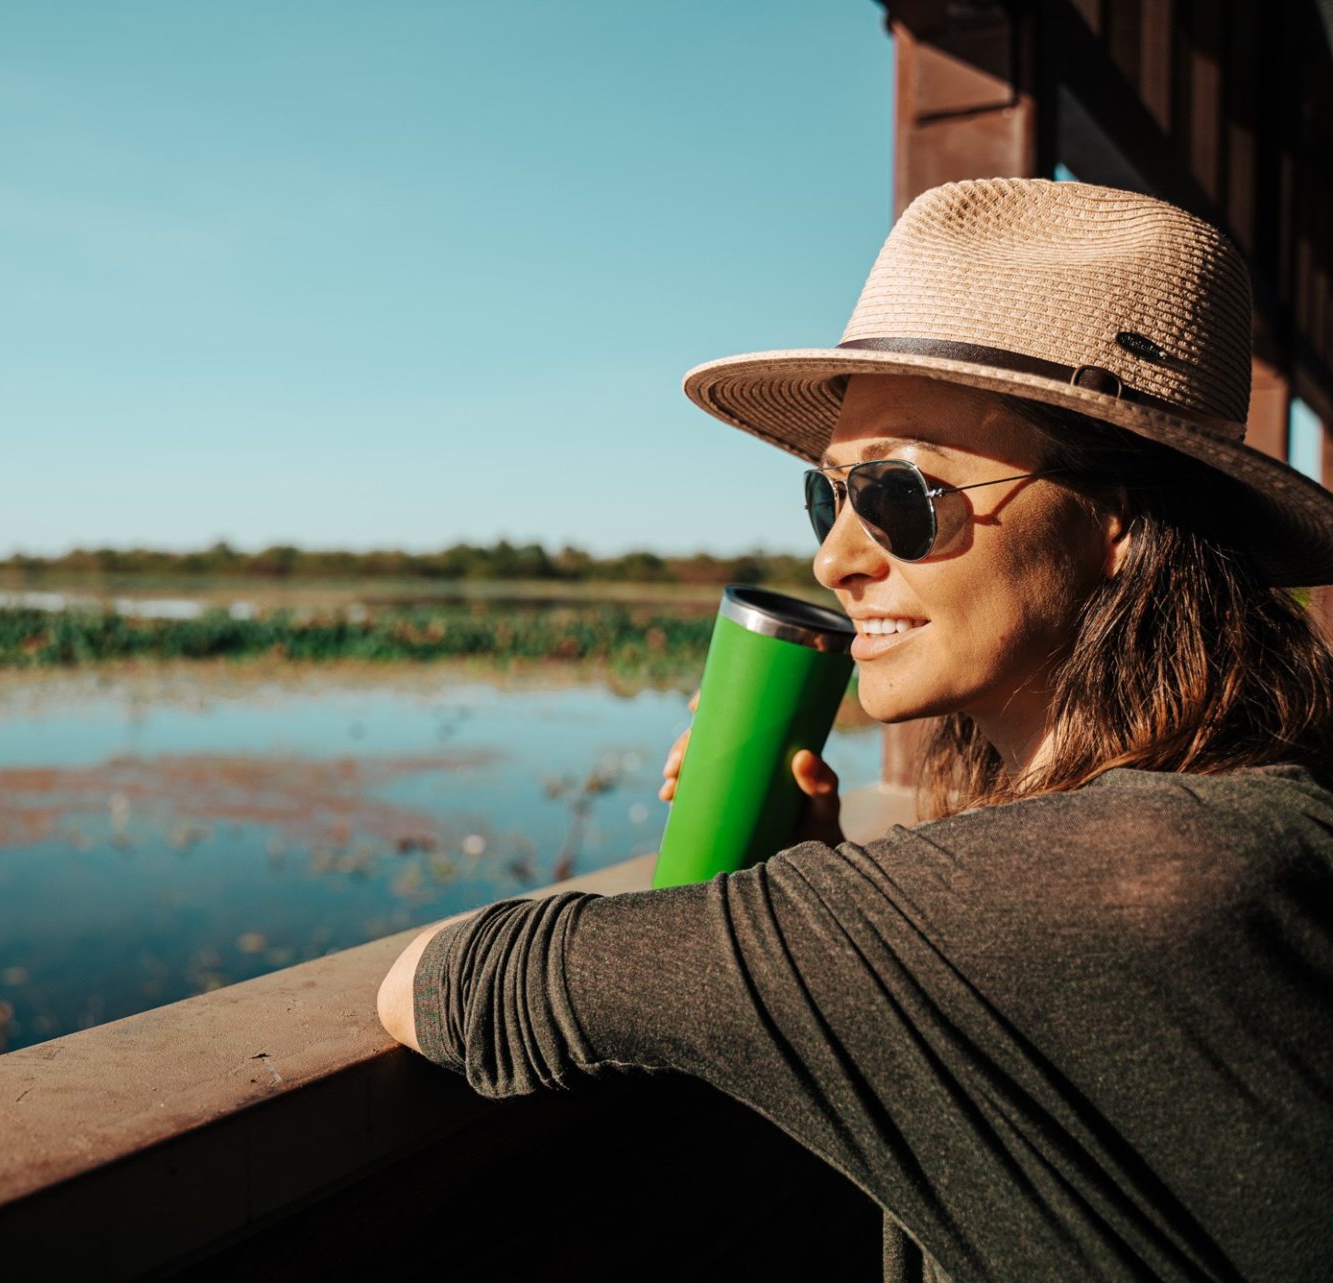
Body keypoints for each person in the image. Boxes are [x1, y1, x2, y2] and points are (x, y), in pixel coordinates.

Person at [376, 178, 1333, 1283]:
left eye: (904, 498)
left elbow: (458, 981)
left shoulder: (1136, 877)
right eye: (827, 497)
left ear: (1120, 521)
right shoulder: (1255, 812)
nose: (835, 559)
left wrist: (800, 920)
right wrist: (826, 918)